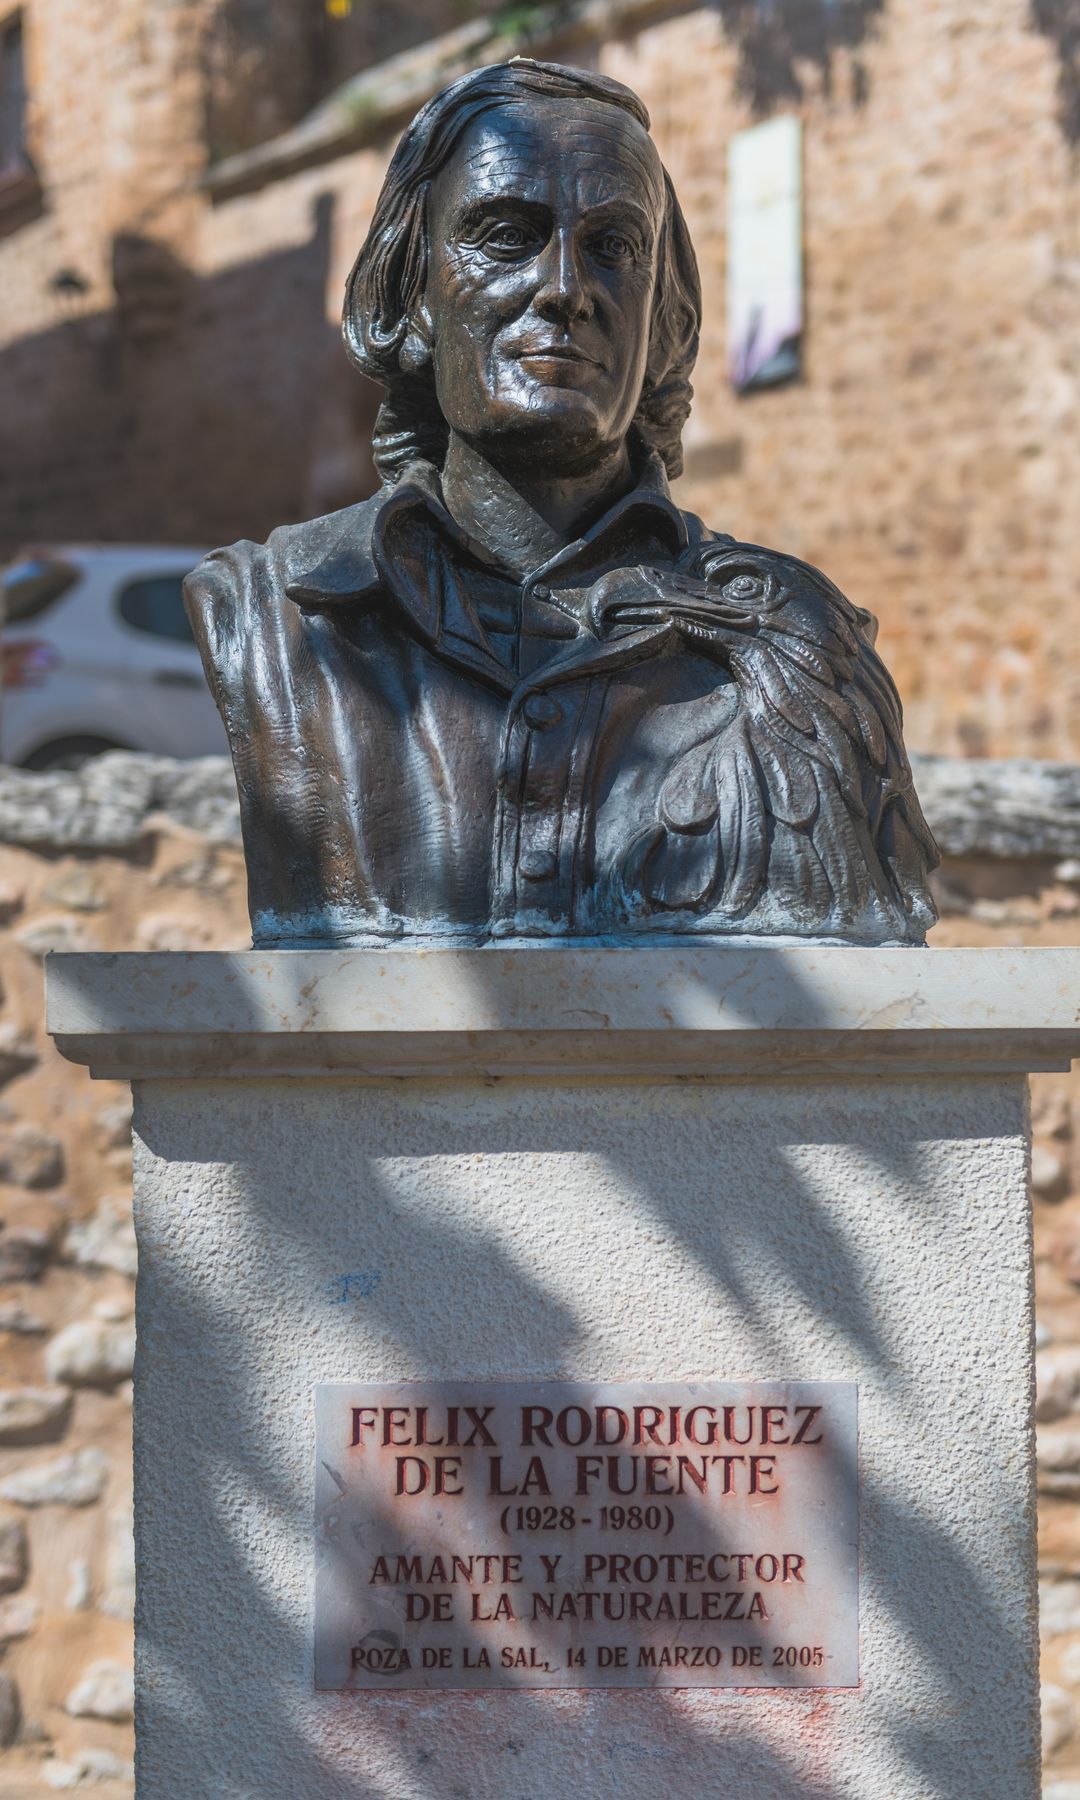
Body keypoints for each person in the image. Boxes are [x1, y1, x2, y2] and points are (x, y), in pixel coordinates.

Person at [185, 59, 937, 948]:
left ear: (659, 319)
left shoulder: (799, 644)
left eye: (614, 247)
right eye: (505, 235)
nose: (566, 289)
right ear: (412, 298)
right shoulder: (274, 614)